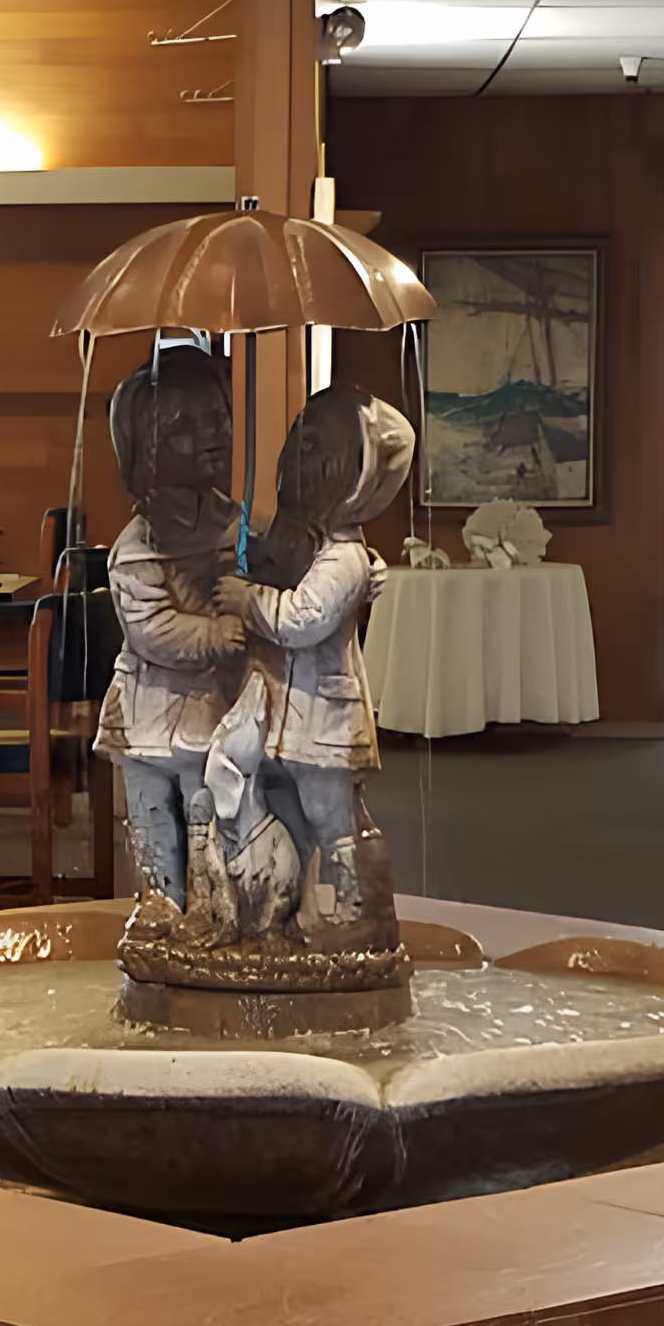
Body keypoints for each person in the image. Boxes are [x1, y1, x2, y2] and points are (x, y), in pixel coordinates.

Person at [211, 383, 412, 925]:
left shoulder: (345, 557)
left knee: (331, 820)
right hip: (287, 714)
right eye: (298, 441)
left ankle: (357, 912)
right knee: (290, 815)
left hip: (324, 721)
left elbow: (301, 620)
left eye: (316, 449)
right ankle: (289, 910)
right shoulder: (304, 542)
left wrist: (247, 599)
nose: (299, 456)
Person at [94, 343, 246, 909]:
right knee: (155, 832)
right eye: (188, 427)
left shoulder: (234, 526)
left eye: (219, 417)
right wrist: (212, 633)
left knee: (213, 818)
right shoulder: (136, 552)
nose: (214, 434)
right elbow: (151, 629)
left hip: (215, 711)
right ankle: (161, 915)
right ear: (147, 450)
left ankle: (209, 919)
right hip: (150, 715)